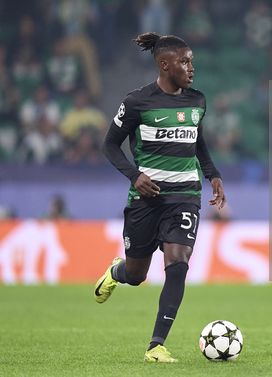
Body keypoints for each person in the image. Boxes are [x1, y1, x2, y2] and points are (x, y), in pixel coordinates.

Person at [94, 32, 226, 363]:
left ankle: (156, 345)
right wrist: (134, 176)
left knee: (178, 263)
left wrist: (213, 175)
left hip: (185, 196)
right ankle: (116, 272)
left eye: (191, 60)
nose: (191, 67)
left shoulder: (197, 100)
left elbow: (197, 141)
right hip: (146, 199)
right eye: (184, 61)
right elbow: (110, 144)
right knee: (137, 275)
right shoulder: (137, 101)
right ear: (164, 64)